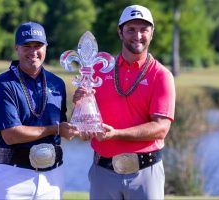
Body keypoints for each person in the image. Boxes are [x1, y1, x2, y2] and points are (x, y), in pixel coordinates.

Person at [73, 5, 176, 200]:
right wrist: (80, 106)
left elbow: (161, 128)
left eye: (144, 29)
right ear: (120, 32)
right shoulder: (98, 69)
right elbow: (86, 124)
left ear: (152, 33)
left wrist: (116, 134)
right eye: (131, 29)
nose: (137, 35)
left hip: (145, 174)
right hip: (103, 172)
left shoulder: (161, 75)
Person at [0, 21, 78, 200]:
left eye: (38, 45)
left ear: (46, 46)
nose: (33, 52)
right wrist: (56, 129)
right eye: (26, 46)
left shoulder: (57, 83)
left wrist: (81, 105)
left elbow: (64, 129)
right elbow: (11, 135)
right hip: (13, 175)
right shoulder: (4, 84)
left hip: (53, 176)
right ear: (17, 48)